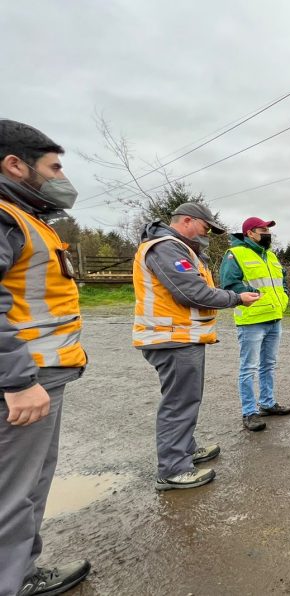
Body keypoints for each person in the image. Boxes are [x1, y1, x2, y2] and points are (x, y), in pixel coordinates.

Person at [0, 120, 92, 596]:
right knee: (11, 495)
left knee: (30, 486)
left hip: (39, 374)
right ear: (15, 164)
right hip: (21, 381)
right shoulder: (5, 218)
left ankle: (22, 572)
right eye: (54, 167)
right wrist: (15, 379)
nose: (61, 177)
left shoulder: (27, 220)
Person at [133, 202, 259, 490]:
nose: (208, 234)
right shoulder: (166, 247)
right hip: (171, 338)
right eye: (206, 227)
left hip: (180, 337)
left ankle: (184, 450)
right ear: (187, 221)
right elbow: (192, 292)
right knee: (179, 403)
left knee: (185, 400)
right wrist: (236, 298)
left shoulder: (180, 248)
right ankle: (173, 469)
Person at [220, 216, 290, 432]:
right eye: (263, 230)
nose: (267, 234)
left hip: (274, 317)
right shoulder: (235, 254)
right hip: (252, 320)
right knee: (249, 367)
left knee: (269, 364)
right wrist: (252, 296)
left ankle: (268, 404)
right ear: (250, 233)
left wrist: (284, 297)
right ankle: (249, 412)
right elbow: (229, 284)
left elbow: (282, 281)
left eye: (267, 230)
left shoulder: (270, 256)